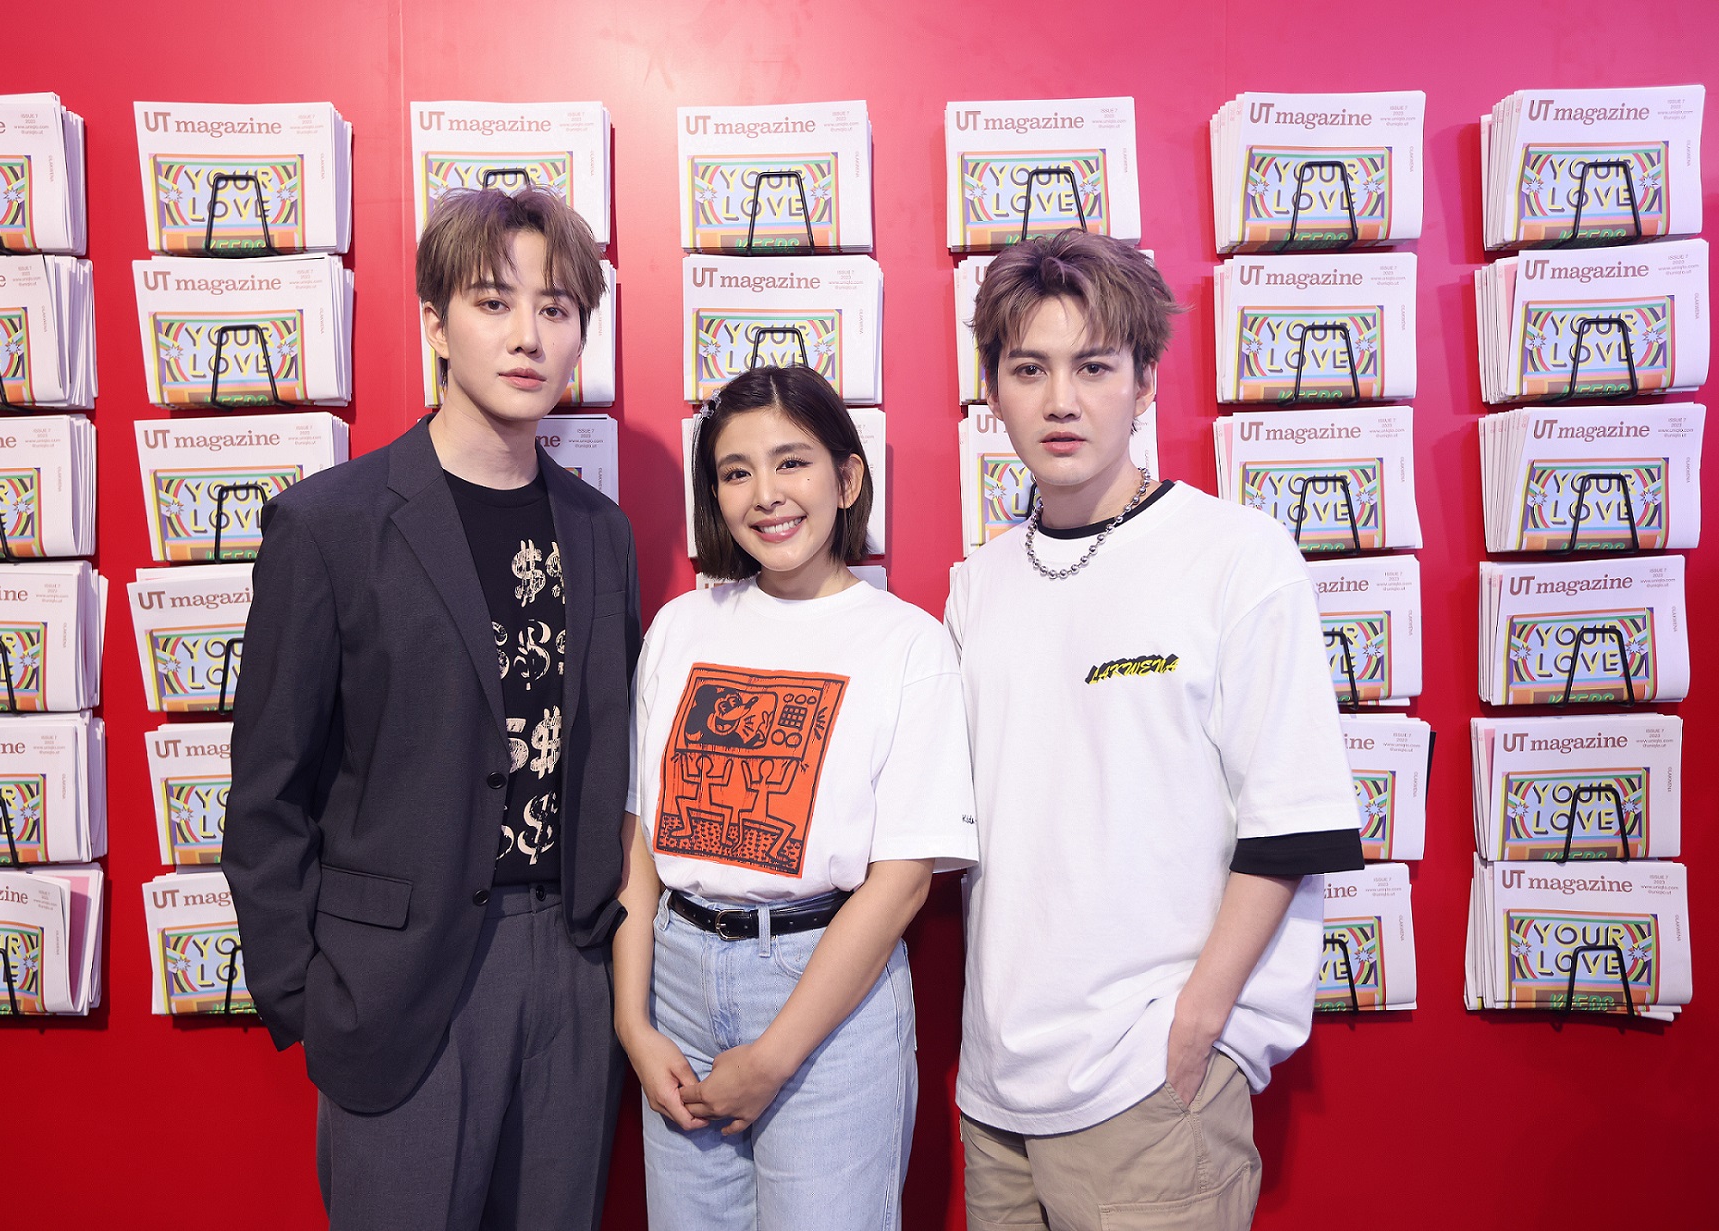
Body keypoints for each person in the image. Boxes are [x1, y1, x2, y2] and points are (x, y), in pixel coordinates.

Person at [222, 187, 639, 1231]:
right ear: (435, 325)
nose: (527, 335)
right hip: (398, 984)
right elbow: (266, 791)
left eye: (555, 308)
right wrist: (309, 996)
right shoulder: (331, 526)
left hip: (570, 968)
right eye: (494, 303)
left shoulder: (600, 531)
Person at [949, 231, 1366, 1231]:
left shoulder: (1235, 555)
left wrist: (1198, 1025)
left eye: (1093, 367)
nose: (1060, 400)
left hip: (1150, 1083)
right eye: (1029, 370)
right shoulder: (977, 584)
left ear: (1143, 383)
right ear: (991, 391)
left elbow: (1291, 821)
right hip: (995, 1091)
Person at [613, 364, 979, 1231]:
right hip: (675, 982)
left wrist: (774, 1055)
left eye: (792, 462)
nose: (766, 494)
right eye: (736, 471)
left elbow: (901, 883)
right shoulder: (680, 627)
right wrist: (633, 1023)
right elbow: (638, 841)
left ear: (846, 478)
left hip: (824, 997)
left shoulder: (907, 644)